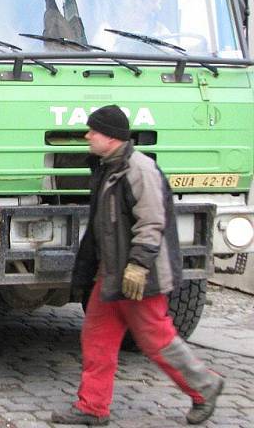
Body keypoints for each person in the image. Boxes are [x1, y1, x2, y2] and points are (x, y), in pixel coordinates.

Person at [52, 105, 223, 426]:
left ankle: (205, 385)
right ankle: (92, 407)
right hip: (114, 274)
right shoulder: (109, 166)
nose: (87, 136)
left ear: (111, 137)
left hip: (138, 276)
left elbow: (152, 222)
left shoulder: (139, 169)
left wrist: (138, 266)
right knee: (97, 337)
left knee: (156, 339)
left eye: (93, 131)